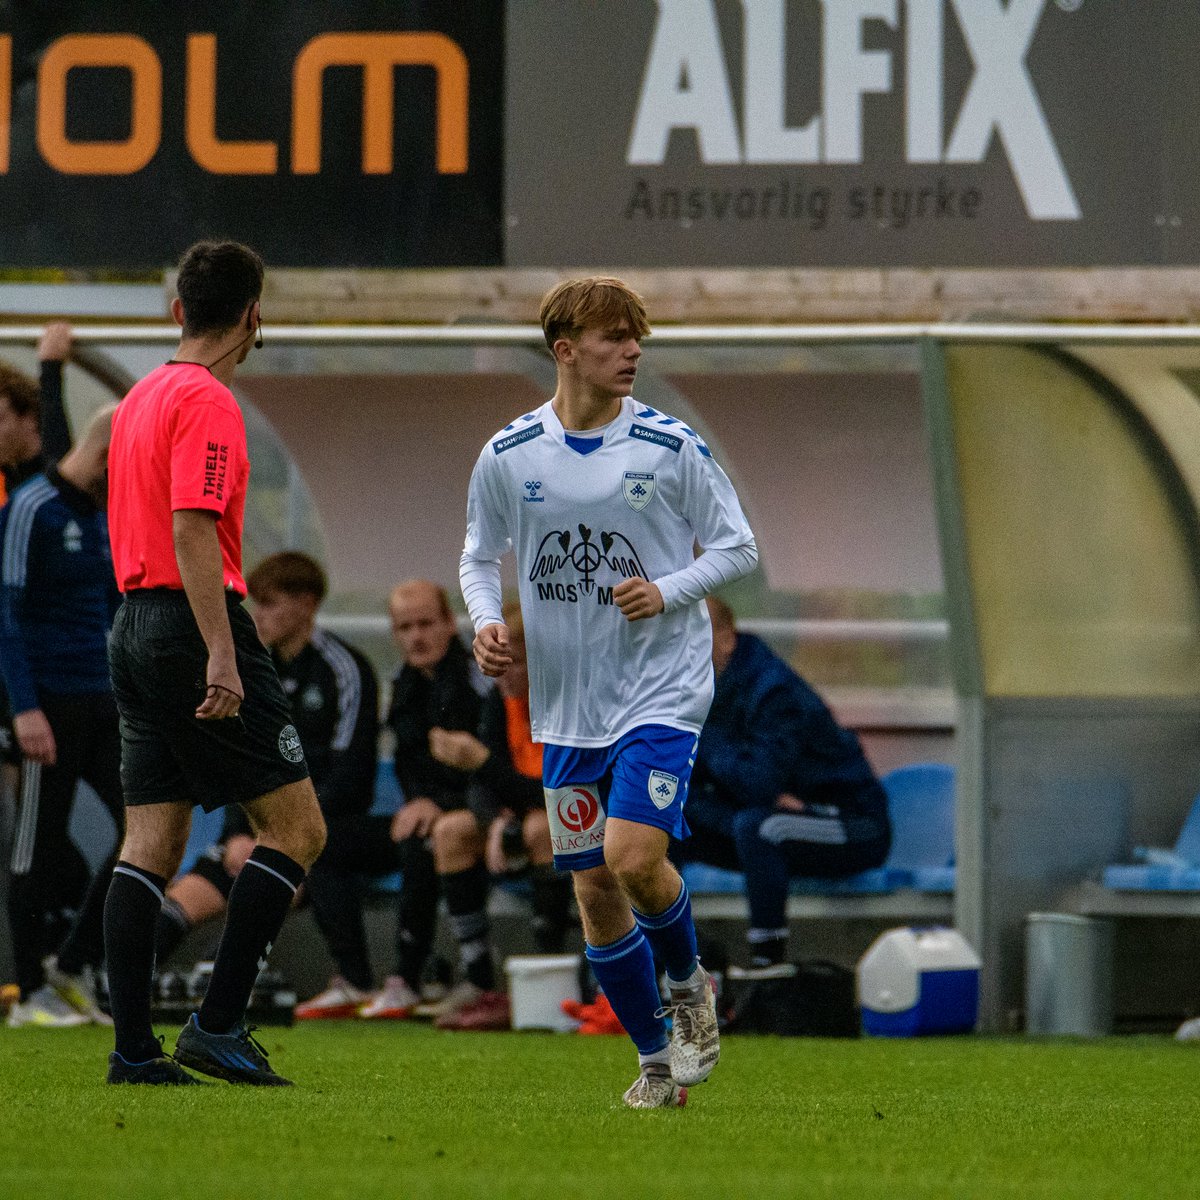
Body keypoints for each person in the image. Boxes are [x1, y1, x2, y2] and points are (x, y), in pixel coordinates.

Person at [460, 276, 758, 1108]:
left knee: (633, 858)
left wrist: (667, 590)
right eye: (612, 338)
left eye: (637, 339)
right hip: (567, 700)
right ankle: (655, 1064)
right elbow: (478, 556)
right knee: (590, 884)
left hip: (661, 687)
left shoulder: (670, 446)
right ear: (565, 350)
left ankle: (690, 985)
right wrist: (486, 621)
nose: (631, 352)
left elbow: (738, 548)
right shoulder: (510, 453)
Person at [103, 240, 326, 1086]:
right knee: (297, 829)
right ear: (253, 316)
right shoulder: (207, 400)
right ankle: (219, 1023)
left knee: (150, 840)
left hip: (131, 620)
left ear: (176, 312)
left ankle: (132, 1052)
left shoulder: (139, 397)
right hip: (192, 623)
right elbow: (193, 527)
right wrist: (224, 651)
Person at [153, 551, 381, 1022]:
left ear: (306, 604)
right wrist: (240, 829)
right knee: (189, 893)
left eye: (270, 604)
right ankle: (120, 984)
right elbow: (240, 761)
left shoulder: (344, 668)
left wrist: (284, 826)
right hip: (262, 827)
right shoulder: (256, 672)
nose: (258, 616)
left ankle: (219, 986)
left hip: (324, 825)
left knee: (278, 870)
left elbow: (352, 775)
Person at [679, 596, 891, 970]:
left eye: (693, 636)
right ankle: (671, 958)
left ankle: (767, 966)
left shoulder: (772, 690)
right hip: (776, 817)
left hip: (852, 824)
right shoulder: (706, 691)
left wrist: (701, 737)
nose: (681, 650)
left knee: (762, 827)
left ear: (726, 639)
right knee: (663, 820)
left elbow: (758, 783)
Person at [0, 406, 124, 1028]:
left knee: (150, 827)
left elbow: (112, 608)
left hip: (103, 702)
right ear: (106, 457)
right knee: (37, 848)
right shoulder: (31, 507)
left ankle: (71, 965)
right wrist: (25, 709)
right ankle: (28, 994)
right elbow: (6, 615)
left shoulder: (101, 514)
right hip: (48, 707)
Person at [424, 600, 574, 1031]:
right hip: (518, 814)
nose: (505, 675)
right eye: (497, 664)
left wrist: (480, 762)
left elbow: (562, 791)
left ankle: (551, 977)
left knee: (545, 825)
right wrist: (494, 825)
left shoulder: (567, 702)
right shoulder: (500, 699)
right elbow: (485, 786)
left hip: (576, 816)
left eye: (517, 664)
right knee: (451, 830)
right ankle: (479, 980)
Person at [366, 579, 491, 1022]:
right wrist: (419, 799)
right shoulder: (404, 682)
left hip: (491, 807)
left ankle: (425, 976)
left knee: (430, 836)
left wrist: (437, 802)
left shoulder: (480, 675)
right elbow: (407, 760)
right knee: (334, 846)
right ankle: (369, 977)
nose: (416, 637)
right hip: (434, 809)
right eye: (404, 627)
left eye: (425, 624)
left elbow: (497, 761)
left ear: (450, 623)